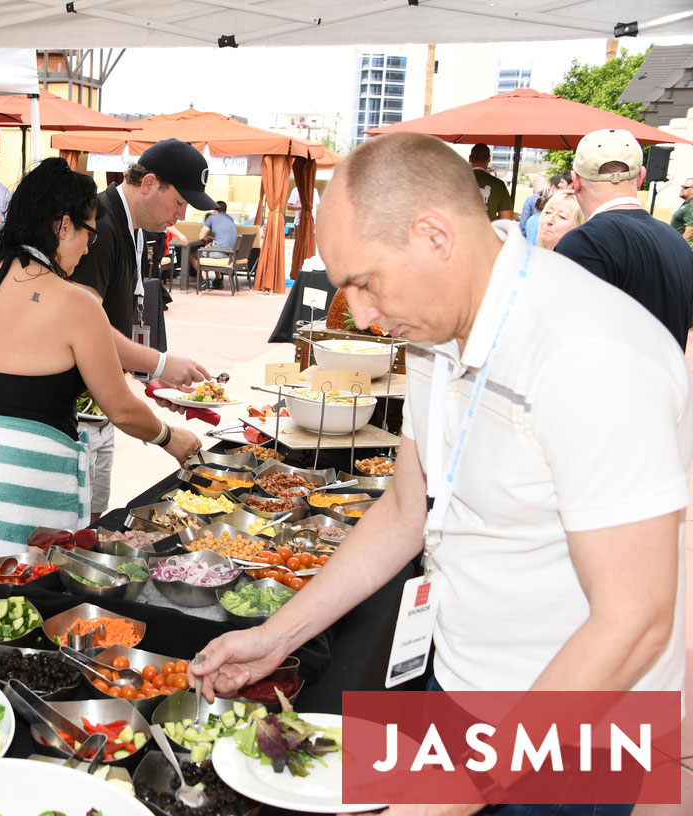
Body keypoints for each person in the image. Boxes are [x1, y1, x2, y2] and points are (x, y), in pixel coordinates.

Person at [190, 133, 689, 816]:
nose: (362, 315)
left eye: (364, 282)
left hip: (576, 741)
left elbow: (636, 621)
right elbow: (404, 513)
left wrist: (466, 786)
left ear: (434, 234)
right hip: (458, 692)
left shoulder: (588, 353)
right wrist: (277, 636)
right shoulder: (431, 339)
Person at [0, 158, 204, 613]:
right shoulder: (76, 303)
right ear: (62, 226)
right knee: (26, 616)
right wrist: (172, 439)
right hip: (27, 503)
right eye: (88, 235)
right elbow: (121, 408)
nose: (87, 248)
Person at [69, 137, 212, 518]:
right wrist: (160, 363)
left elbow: (111, 321)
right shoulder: (100, 224)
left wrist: (144, 373)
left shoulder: (130, 224)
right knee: (72, 526)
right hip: (73, 414)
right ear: (148, 183)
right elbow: (83, 326)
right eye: (179, 202)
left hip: (99, 406)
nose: (181, 216)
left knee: (92, 518)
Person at [554, 128, 693, 350]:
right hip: (666, 382)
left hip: (603, 383)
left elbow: (560, 333)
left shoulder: (584, 242)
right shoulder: (677, 243)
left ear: (575, 180)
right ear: (641, 177)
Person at [194, 200, 239, 290]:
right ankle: (218, 281)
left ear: (215, 210)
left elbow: (201, 236)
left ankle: (205, 281)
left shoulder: (212, 218)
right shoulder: (230, 218)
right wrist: (213, 242)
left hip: (221, 253)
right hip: (230, 253)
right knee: (212, 250)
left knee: (194, 255)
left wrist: (209, 240)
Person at [468, 142, 513, 221]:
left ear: (470, 158)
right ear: (489, 159)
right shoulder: (499, 185)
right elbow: (507, 219)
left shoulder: (457, 181)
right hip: (488, 231)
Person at [671, 176, 693, 248]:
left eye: (685, 187)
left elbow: (690, 229)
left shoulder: (690, 206)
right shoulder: (687, 204)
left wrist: (678, 246)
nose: (681, 189)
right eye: (682, 187)